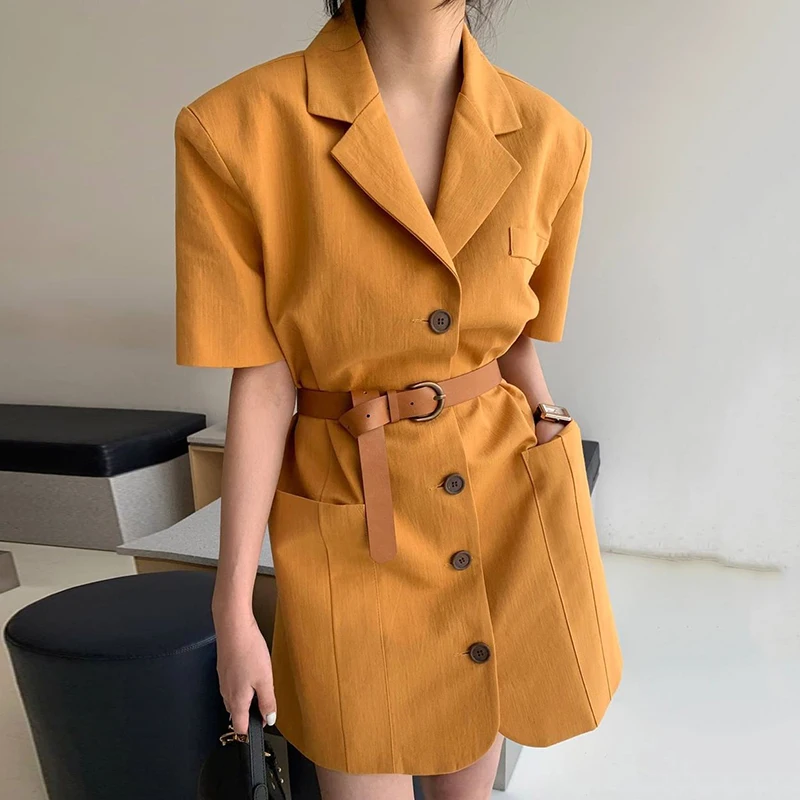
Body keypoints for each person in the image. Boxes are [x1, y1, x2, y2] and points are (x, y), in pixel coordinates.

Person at [174, 0, 623, 797]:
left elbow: (513, 342)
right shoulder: (236, 127)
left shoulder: (554, 136)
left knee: (472, 759)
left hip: (500, 502)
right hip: (351, 507)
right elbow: (264, 379)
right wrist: (232, 605)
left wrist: (555, 459)